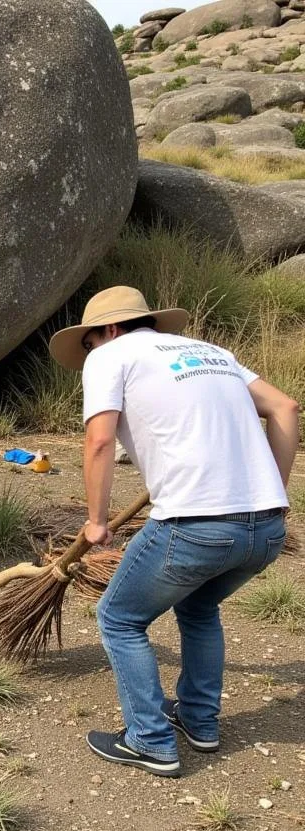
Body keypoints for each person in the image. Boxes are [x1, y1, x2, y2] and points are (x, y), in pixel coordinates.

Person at [50, 286, 299, 777]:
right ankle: (199, 722)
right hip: (267, 528)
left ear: (111, 329)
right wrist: (272, 492)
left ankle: (149, 740)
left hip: (195, 526)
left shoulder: (111, 356)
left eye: (88, 342)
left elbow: (99, 439)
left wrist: (96, 520)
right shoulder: (214, 353)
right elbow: (286, 408)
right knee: (200, 606)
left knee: (119, 619)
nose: (88, 354)